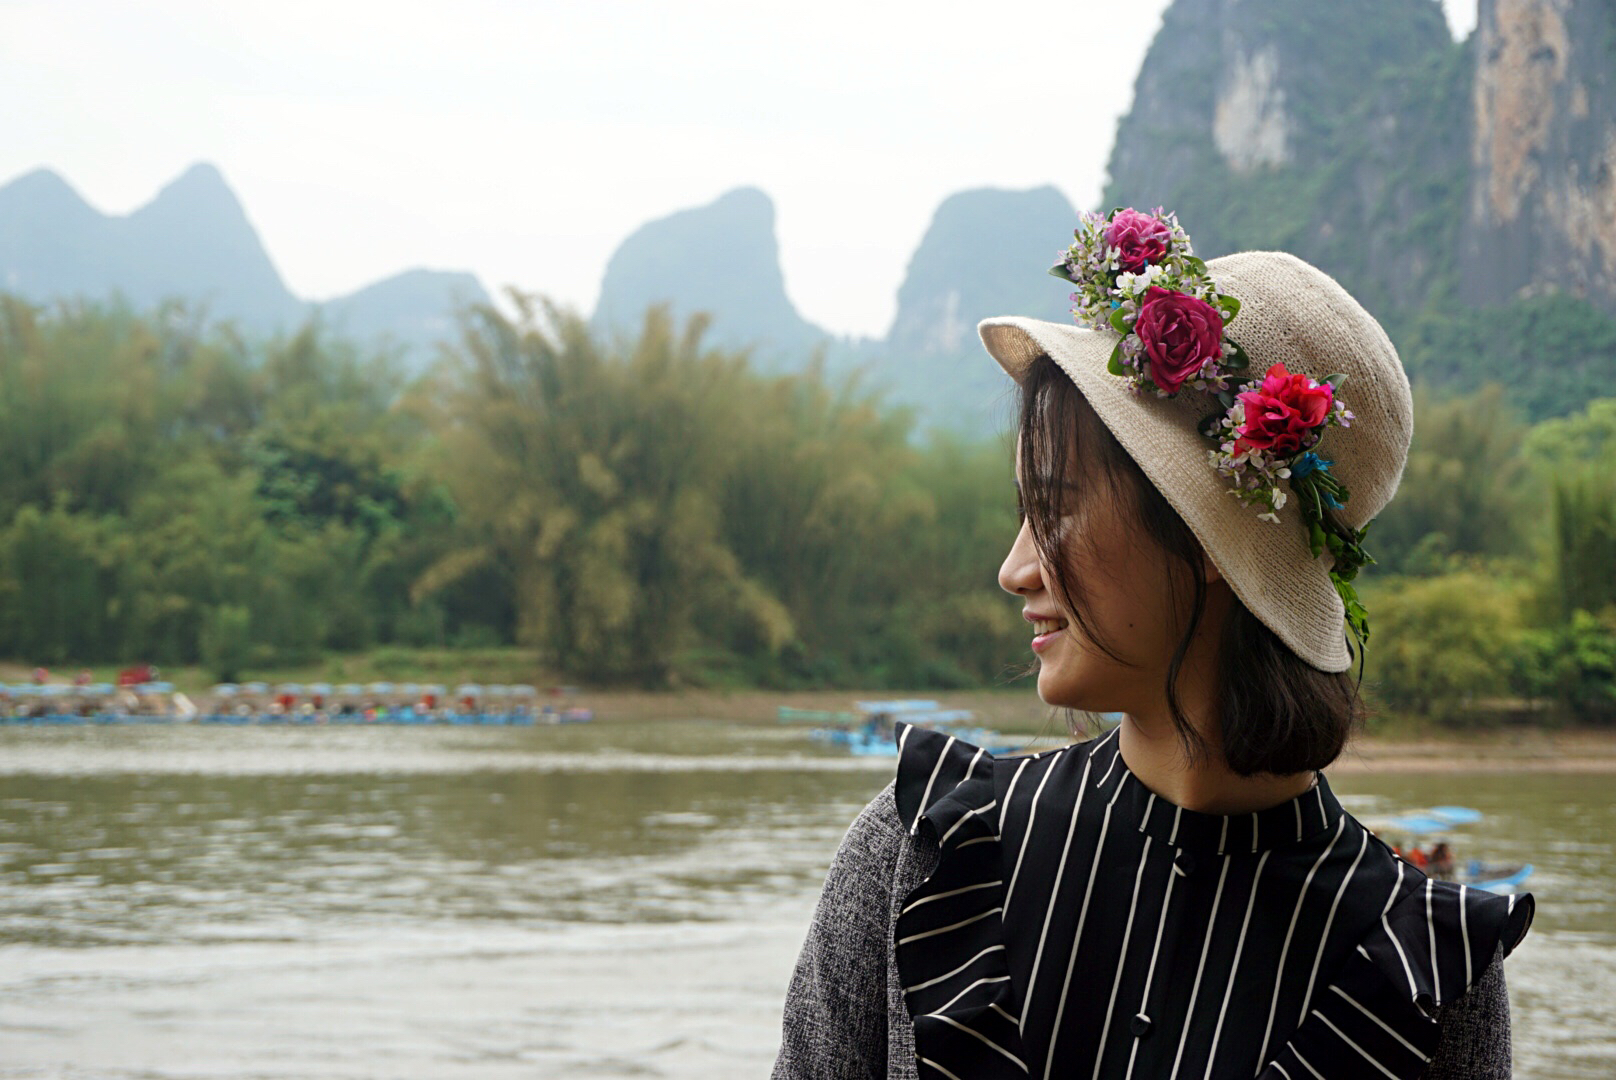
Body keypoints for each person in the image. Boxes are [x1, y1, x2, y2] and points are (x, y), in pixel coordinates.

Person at [770, 218, 1534, 1079]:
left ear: (1209, 541)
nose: (1015, 568)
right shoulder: (922, 853)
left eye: (1053, 508)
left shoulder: (1427, 975)